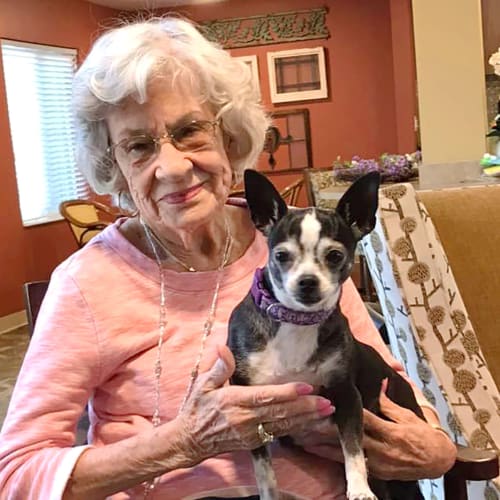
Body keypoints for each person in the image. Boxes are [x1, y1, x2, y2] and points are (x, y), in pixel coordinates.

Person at [0, 16, 456, 500]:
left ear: (231, 137)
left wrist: (433, 449)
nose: (173, 166)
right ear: (113, 165)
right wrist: (183, 442)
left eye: (190, 131)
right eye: (138, 145)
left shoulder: (300, 252)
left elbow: (388, 386)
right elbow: (16, 475)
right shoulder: (86, 283)